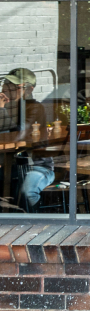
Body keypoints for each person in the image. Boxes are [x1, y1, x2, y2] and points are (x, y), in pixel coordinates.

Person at [0, 69, 52, 211]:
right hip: (9, 166)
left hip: (36, 166)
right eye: (6, 84)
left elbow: (19, 133)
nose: (6, 89)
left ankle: (33, 221)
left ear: (29, 90)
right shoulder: (7, 108)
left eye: (13, 86)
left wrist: (2, 110)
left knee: (27, 192)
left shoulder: (34, 108)